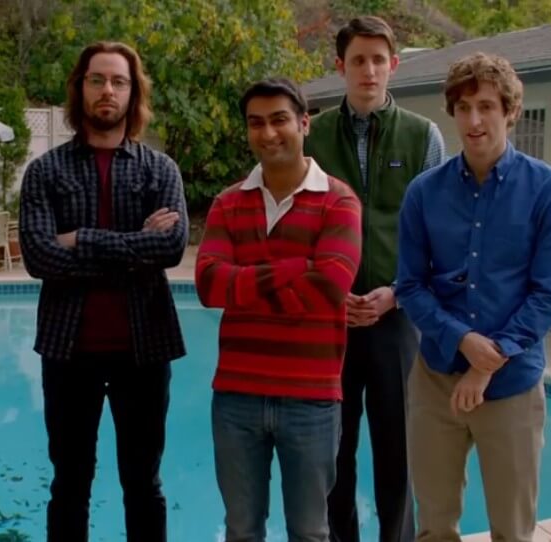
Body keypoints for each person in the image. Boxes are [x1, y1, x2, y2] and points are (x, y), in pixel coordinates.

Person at [395, 52, 551, 542]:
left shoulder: (549, 192)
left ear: (510, 111)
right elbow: (410, 285)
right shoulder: (423, 193)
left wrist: (486, 361)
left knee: (512, 531)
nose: (474, 121)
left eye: (487, 107)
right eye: (463, 108)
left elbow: (548, 295)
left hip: (512, 385)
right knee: (434, 528)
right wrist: (461, 340)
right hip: (436, 379)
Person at [18, 41, 188, 542]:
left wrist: (80, 239)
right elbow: (39, 257)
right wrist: (136, 243)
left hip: (145, 349)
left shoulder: (161, 170)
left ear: (133, 93)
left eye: (119, 81)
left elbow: (171, 248)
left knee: (144, 483)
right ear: (81, 88)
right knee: (70, 483)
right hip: (69, 351)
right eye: (97, 80)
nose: (107, 90)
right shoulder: (45, 171)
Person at [196, 77, 362, 542]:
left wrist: (245, 282)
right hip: (236, 396)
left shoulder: (339, 200)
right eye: (256, 123)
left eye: (279, 120)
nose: (267, 133)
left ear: (304, 123)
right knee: (241, 530)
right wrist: (295, 267)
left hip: (311, 399)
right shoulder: (228, 203)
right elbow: (208, 285)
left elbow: (330, 285)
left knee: (309, 533)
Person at [304, 15, 446, 542]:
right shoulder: (312, 136)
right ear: (340, 66)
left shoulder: (423, 136)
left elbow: (437, 233)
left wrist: (398, 293)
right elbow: (300, 227)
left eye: (378, 60)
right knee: (331, 451)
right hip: (331, 321)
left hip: (396, 317)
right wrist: (329, 292)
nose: (369, 70)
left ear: (394, 65)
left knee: (398, 449)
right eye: (358, 60)